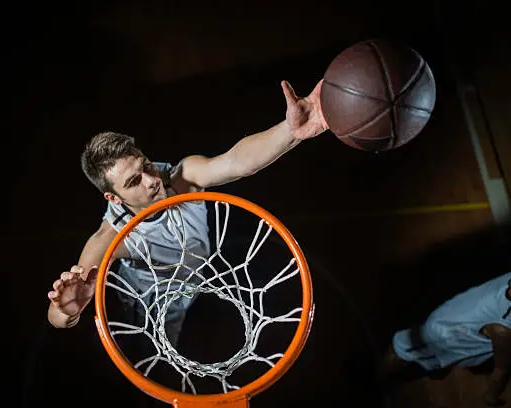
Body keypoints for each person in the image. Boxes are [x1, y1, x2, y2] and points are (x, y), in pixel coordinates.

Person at [46, 79, 328, 347]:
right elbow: (56, 318)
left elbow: (237, 161)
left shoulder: (180, 178)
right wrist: (70, 309)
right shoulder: (111, 237)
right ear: (113, 198)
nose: (151, 180)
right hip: (153, 310)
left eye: (145, 166)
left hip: (200, 280)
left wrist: (292, 130)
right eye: (134, 182)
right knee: (155, 370)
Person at [379, 273, 511, 406]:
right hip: (444, 334)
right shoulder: (504, 329)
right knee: (402, 348)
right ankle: (376, 379)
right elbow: (502, 370)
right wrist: (491, 396)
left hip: (458, 313)